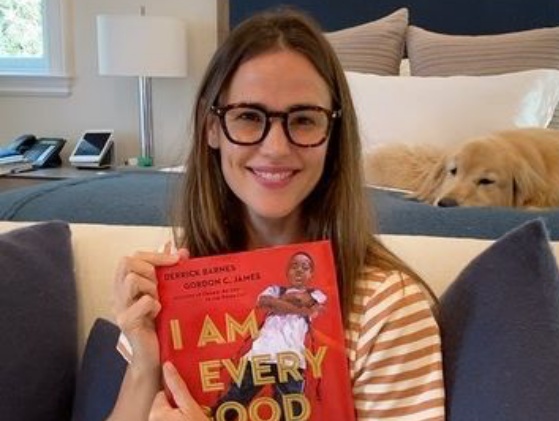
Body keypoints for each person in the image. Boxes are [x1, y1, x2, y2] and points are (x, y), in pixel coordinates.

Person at [109, 7, 445, 421]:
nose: (275, 148)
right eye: (249, 117)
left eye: (303, 120)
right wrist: (144, 363)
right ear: (212, 127)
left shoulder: (387, 306)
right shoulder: (176, 272)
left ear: (334, 136)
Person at [212, 251, 326, 420]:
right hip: (261, 355)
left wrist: (280, 303)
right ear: (287, 271)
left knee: (291, 412)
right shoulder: (274, 289)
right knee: (233, 401)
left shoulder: (317, 294)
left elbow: (310, 304)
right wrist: (300, 308)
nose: (299, 270)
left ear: (311, 274)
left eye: (305, 267)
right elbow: (265, 302)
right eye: (294, 266)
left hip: (291, 361)